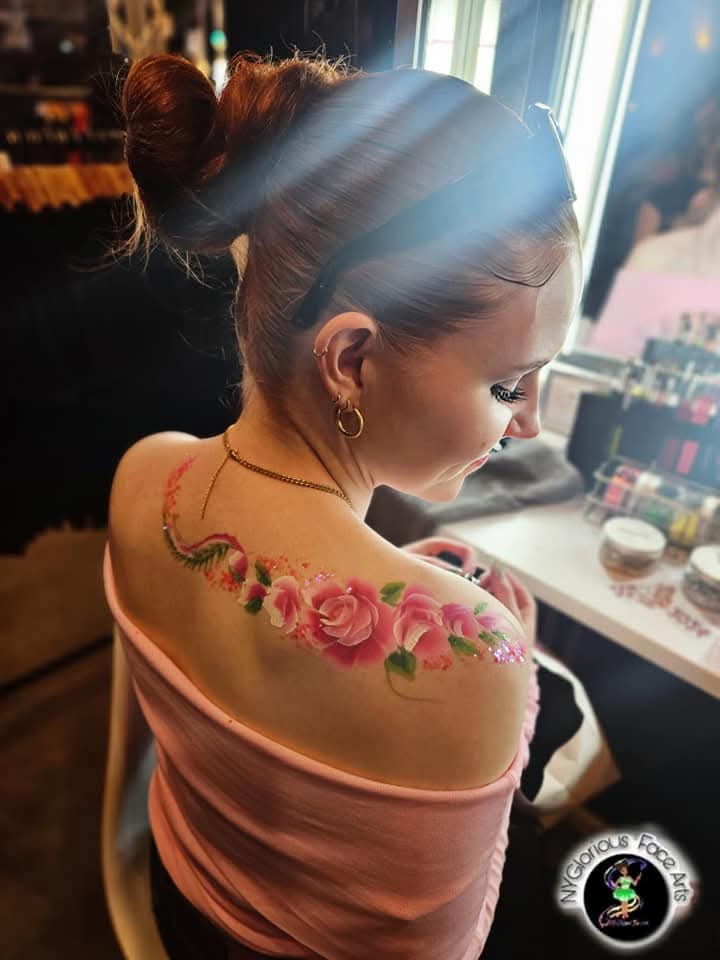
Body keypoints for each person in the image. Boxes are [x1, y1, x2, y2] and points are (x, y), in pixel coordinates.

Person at [104, 50, 582, 959]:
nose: (526, 425)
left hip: (176, 907)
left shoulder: (141, 480)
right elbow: (456, 943)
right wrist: (514, 702)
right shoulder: (476, 652)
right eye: (509, 384)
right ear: (351, 358)